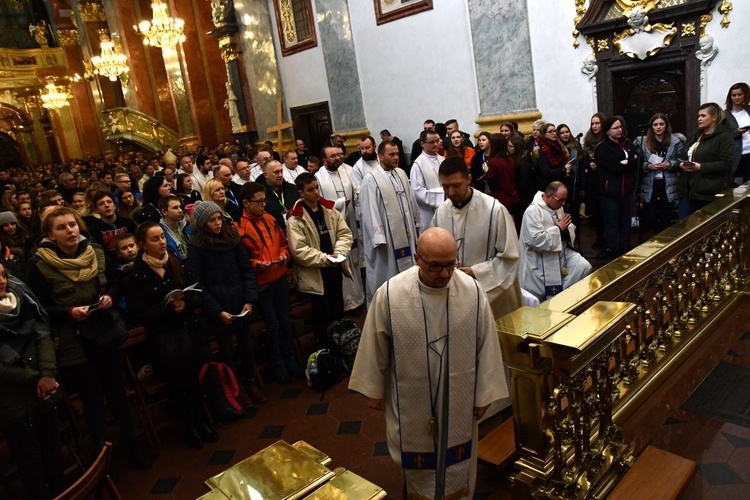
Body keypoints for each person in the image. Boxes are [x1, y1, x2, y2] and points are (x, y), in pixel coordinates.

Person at [349, 227, 507, 500]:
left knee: (459, 457)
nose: (445, 274)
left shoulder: (472, 291)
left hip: (460, 394)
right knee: (416, 457)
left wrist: (484, 393)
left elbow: (487, 344)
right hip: (411, 396)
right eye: (435, 267)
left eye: (451, 265)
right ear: (417, 258)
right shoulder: (391, 294)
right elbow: (375, 342)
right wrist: (373, 389)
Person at [25, 207, 153, 468]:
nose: (69, 230)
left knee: (117, 393)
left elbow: (116, 282)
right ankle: (102, 463)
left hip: (105, 332)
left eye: (72, 224)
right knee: (92, 402)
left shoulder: (94, 251)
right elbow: (38, 308)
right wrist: (68, 312)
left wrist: (111, 297)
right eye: (61, 227)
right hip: (73, 343)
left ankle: (135, 446)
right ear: (50, 234)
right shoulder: (39, 264)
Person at [123, 222, 217, 449]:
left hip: (186, 330)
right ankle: (189, 427)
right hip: (164, 339)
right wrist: (166, 308)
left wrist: (184, 302)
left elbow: (194, 291)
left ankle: (203, 421)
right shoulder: (136, 274)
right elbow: (138, 314)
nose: (162, 242)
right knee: (177, 386)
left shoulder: (174, 261)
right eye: (155, 239)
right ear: (143, 245)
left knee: (194, 381)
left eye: (162, 237)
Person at [186, 201, 265, 406]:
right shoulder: (196, 246)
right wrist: (217, 311)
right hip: (218, 307)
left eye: (219, 218)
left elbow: (246, 269)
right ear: (203, 223)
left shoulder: (232, 237)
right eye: (212, 220)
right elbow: (198, 284)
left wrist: (249, 299)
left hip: (240, 300)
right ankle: (235, 387)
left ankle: (251, 381)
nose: (218, 223)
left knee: (247, 344)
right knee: (226, 349)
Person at [0, 263, 65, 499]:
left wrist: (47, 373)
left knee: (53, 451)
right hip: (12, 400)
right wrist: (35, 377)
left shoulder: (22, 297)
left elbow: (42, 333)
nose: (2, 280)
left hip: (43, 389)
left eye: (2, 274)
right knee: (30, 462)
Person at [433, 157, 523, 319]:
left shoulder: (494, 210)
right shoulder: (441, 213)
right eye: (445, 186)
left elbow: (510, 258)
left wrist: (475, 272)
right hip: (456, 293)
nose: (450, 192)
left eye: (456, 185)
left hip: (492, 297)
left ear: (468, 179)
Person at [236, 182, 303, 383]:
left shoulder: (270, 219)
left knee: (284, 320)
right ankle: (277, 362)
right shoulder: (240, 227)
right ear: (246, 203)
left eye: (264, 200)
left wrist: (283, 254)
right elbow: (242, 260)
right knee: (272, 324)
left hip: (279, 277)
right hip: (262, 283)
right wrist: (258, 264)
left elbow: (282, 243)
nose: (263, 205)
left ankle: (291, 357)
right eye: (259, 202)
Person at [286, 173, 353, 344]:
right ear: (301, 193)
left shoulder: (329, 210)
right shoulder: (296, 218)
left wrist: (338, 253)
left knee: (338, 311)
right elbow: (299, 250)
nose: (316, 192)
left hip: (334, 269)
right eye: (310, 190)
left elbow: (344, 234)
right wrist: (326, 258)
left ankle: (343, 347)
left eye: (317, 187)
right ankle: (328, 351)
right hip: (316, 276)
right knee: (323, 318)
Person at [360, 140, 421, 306]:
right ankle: (387, 306)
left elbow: (410, 198)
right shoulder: (370, 179)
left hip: (405, 232)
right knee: (388, 273)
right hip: (387, 238)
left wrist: (415, 220)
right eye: (391, 155)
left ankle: (409, 300)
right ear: (380, 156)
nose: (396, 158)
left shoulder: (400, 173)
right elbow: (369, 210)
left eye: (397, 154)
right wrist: (377, 236)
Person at [519, 182, 592, 302]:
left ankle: (563, 299)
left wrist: (566, 228)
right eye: (560, 200)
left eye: (565, 200)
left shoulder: (558, 208)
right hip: (539, 259)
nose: (563, 204)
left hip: (559, 253)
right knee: (540, 298)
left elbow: (567, 229)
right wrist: (558, 229)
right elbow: (535, 240)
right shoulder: (532, 211)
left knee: (583, 266)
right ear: (548, 196)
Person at [315, 145, 365, 311]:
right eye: (333, 156)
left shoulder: (346, 170)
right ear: (324, 160)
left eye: (339, 155)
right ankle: (346, 303)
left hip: (350, 223)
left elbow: (356, 189)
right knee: (342, 261)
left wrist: (358, 194)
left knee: (354, 262)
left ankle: (358, 298)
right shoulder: (319, 178)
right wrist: (341, 203)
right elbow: (319, 202)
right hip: (333, 229)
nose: (338, 158)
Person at [678, 102, 735, 218]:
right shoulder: (695, 135)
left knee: (708, 229)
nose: (699, 119)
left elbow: (726, 163)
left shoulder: (724, 136)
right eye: (698, 116)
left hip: (709, 193)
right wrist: (681, 164)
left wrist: (700, 167)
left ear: (714, 117)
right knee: (685, 228)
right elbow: (683, 155)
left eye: (703, 116)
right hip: (688, 191)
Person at [595, 115, 639, 258]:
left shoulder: (627, 143)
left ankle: (624, 245)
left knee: (626, 220)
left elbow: (638, 161)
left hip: (627, 189)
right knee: (611, 221)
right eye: (615, 128)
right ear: (607, 131)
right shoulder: (602, 148)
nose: (619, 130)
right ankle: (611, 248)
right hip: (610, 191)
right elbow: (615, 167)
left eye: (620, 127)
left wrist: (628, 162)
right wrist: (628, 162)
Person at [634, 113, 684, 233]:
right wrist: (648, 166)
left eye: (661, 124)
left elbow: (681, 159)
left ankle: (663, 241)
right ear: (651, 127)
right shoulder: (643, 141)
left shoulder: (675, 141)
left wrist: (670, 164)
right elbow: (638, 162)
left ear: (666, 125)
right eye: (655, 124)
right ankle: (657, 233)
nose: (658, 127)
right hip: (650, 181)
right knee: (648, 215)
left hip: (668, 181)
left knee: (666, 215)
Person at [485, 133, 523, 231]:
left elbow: (492, 183)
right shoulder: (510, 160)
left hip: (501, 200)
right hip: (514, 198)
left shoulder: (494, 163)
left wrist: (487, 172)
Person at [410, 129, 445, 232]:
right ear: (422, 144)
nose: (435, 144)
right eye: (431, 142)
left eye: (437, 141)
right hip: (427, 212)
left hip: (444, 209)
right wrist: (443, 196)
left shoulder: (442, 160)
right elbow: (417, 192)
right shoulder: (418, 165)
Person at [583, 112, 607, 247]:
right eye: (592, 123)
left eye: (597, 123)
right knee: (596, 212)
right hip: (593, 179)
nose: (594, 126)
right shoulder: (588, 139)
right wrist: (589, 163)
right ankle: (599, 239)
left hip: (604, 178)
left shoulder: (607, 139)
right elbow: (584, 160)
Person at [257, 160, 299, 230]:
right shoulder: (259, 195)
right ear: (266, 175)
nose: (280, 175)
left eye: (281, 171)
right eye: (276, 172)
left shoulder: (293, 189)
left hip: (296, 230)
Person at [724, 82, 750, 182]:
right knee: (730, 183)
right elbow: (722, 136)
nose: (736, 98)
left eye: (739, 94)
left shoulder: (748, 110)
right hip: (734, 154)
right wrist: (736, 132)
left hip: (749, 153)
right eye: (733, 95)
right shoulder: (725, 115)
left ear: (745, 95)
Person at [159, 195, 191, 262]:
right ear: (164, 212)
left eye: (180, 207)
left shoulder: (186, 225)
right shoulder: (161, 233)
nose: (180, 210)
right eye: (175, 208)